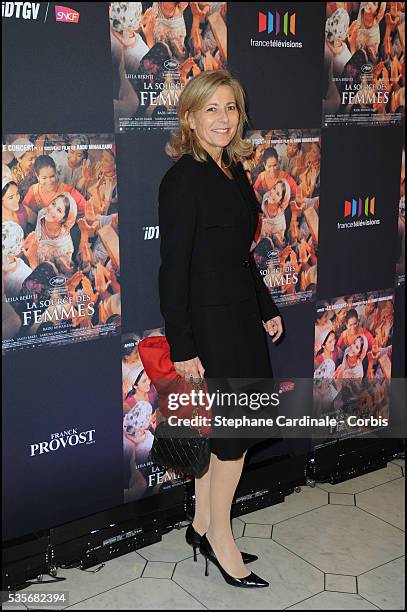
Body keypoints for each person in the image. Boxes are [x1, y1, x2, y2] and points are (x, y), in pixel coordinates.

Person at [158, 69, 283, 588]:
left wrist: (266, 304)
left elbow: (239, 254)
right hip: (209, 326)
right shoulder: (184, 177)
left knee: (229, 434)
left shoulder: (232, 169)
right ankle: (221, 541)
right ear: (190, 116)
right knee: (231, 439)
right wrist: (183, 344)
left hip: (239, 317)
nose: (223, 119)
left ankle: (203, 523)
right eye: (211, 108)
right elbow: (173, 269)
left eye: (230, 108)